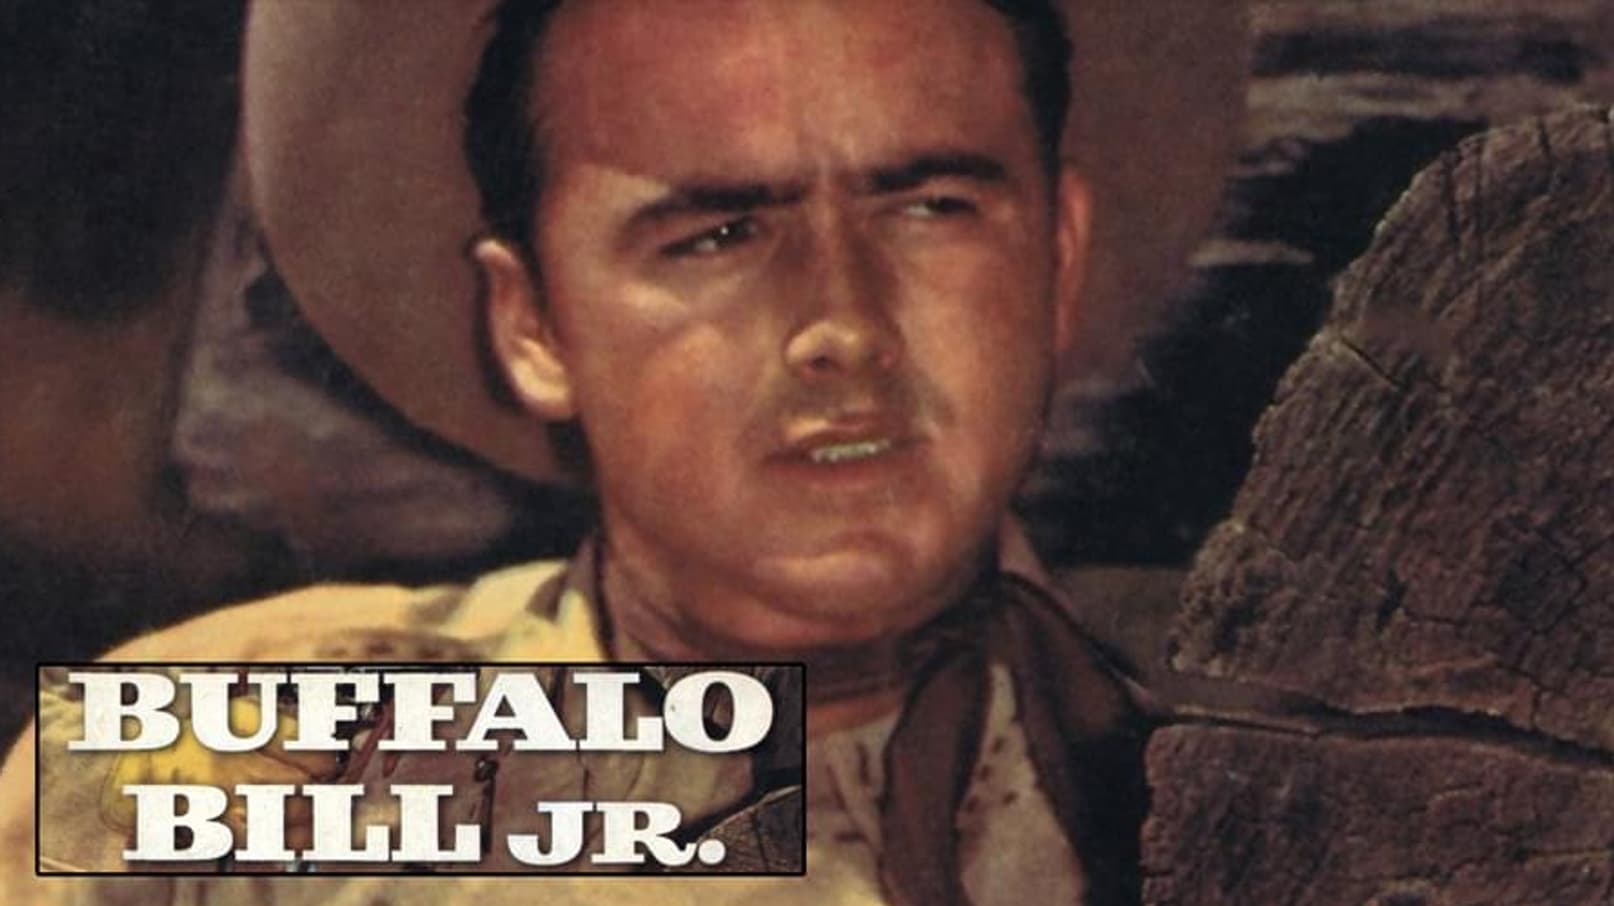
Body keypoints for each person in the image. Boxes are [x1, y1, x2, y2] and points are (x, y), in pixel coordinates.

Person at [0, 1, 1243, 903]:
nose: (845, 327)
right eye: (716, 235)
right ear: (532, 324)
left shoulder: (1238, 812)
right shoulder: (205, 769)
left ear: (1057, 261)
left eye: (933, 210)